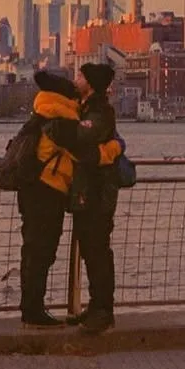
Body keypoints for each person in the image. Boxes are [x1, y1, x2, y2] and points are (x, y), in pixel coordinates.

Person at [17, 70, 84, 328]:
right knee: (43, 251)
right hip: (49, 191)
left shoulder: (40, 114)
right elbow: (81, 153)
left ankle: (29, 306)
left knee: (32, 249)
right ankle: (34, 310)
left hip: (31, 190)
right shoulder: (62, 121)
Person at [68, 61, 124, 334]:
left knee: (98, 252)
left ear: (90, 83)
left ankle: (104, 312)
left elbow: (80, 136)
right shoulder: (87, 108)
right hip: (86, 193)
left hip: (97, 195)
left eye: (79, 75)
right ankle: (96, 306)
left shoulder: (99, 111)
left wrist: (65, 128)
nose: (75, 79)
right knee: (91, 251)